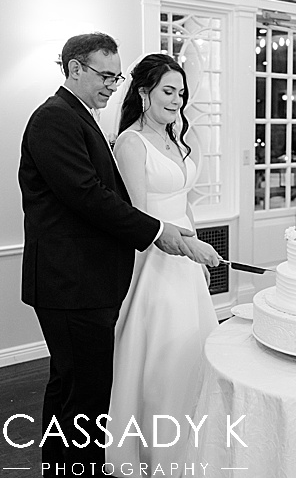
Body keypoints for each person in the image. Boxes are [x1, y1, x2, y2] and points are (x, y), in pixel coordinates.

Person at [18, 33, 210, 476]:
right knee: (84, 398)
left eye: (115, 76)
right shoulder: (54, 119)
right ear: (74, 69)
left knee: (69, 388)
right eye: (105, 75)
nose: (111, 85)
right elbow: (87, 195)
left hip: (83, 281)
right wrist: (159, 230)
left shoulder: (79, 118)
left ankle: (59, 468)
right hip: (71, 283)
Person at [105, 54, 221, 472]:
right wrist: (187, 248)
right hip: (154, 259)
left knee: (197, 352)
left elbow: (184, 205)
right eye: (168, 91)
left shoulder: (180, 139)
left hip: (187, 259)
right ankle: (159, 455)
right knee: (165, 362)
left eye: (181, 93)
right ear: (143, 93)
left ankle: (195, 447)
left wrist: (197, 254)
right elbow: (139, 217)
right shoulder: (131, 143)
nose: (177, 100)